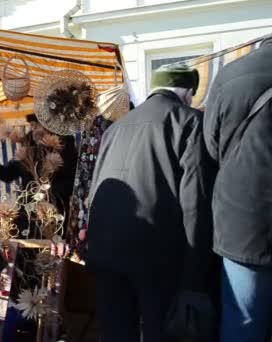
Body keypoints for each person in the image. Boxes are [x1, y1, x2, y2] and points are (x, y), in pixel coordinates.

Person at [87, 65, 216, 342]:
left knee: (117, 333)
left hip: (105, 250)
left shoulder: (116, 128)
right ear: (187, 92)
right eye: (193, 95)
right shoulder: (189, 121)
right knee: (161, 332)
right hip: (157, 254)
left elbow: (94, 191)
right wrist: (195, 274)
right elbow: (196, 202)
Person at [203, 34, 272, 342]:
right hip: (243, 223)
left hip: (242, 221)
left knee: (243, 321)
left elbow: (211, 146)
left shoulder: (231, 73)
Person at [0, 114, 78, 220]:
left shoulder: (65, 146)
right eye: (31, 127)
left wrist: (48, 191)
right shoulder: (28, 147)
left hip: (56, 207)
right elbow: (9, 173)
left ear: (47, 126)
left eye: (35, 126)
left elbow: (71, 178)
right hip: (30, 209)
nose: (33, 130)